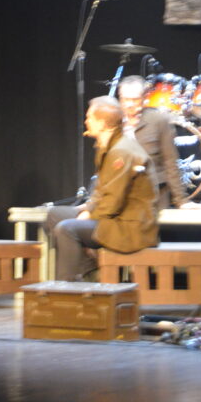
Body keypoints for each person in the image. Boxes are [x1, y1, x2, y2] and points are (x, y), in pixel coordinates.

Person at [53, 96, 158, 281]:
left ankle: (67, 287)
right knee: (54, 215)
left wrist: (89, 216)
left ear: (102, 124)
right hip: (115, 218)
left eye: (90, 118)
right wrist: (87, 208)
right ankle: (91, 272)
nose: (86, 122)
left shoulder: (120, 151)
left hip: (128, 227)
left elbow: (113, 201)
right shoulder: (108, 146)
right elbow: (101, 189)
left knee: (66, 229)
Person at [117, 76, 191, 209]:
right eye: (125, 99)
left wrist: (181, 200)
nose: (130, 104)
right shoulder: (114, 120)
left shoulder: (158, 120)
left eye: (135, 99)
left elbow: (170, 161)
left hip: (154, 193)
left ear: (144, 98)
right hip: (122, 192)